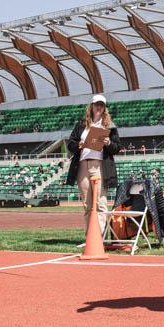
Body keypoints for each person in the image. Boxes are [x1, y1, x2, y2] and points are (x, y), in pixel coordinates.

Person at [65, 94, 121, 230]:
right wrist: (79, 144)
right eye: (97, 104)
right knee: (87, 204)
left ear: (104, 108)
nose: (99, 107)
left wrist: (108, 143)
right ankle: (90, 236)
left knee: (100, 202)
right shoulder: (81, 124)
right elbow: (70, 143)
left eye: (102, 105)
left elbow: (116, 148)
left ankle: (100, 237)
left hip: (99, 165)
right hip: (82, 165)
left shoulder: (110, 126)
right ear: (91, 106)